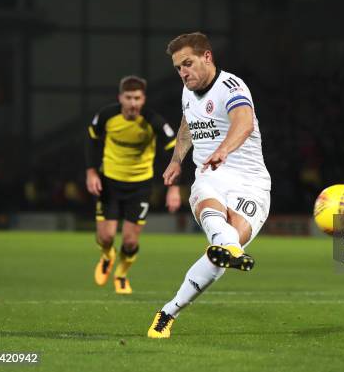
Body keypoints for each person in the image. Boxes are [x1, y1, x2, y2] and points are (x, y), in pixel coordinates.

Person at [147, 32, 271, 338]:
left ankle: (168, 310)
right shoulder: (187, 91)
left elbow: (243, 122)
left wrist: (224, 149)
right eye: (178, 68)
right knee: (213, 215)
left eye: (187, 64)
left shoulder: (232, 86)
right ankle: (227, 247)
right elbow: (188, 123)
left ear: (207, 57)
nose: (183, 72)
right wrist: (177, 159)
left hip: (251, 183)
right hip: (210, 176)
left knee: (222, 252)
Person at [85, 75, 181, 294]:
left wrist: (174, 188)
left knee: (129, 242)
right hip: (109, 182)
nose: (133, 103)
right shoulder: (107, 116)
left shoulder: (153, 120)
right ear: (120, 98)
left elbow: (175, 151)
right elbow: (90, 139)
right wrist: (91, 172)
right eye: (128, 98)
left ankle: (121, 273)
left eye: (137, 98)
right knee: (106, 237)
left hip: (140, 186)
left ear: (143, 99)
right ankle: (107, 255)